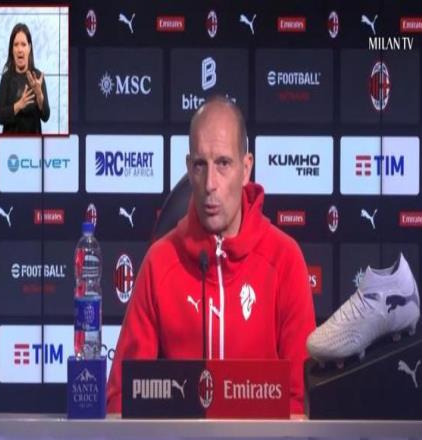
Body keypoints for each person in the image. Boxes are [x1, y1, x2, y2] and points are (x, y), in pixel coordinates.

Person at [107, 96, 315, 414]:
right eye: (200, 165)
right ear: (189, 169)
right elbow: (121, 398)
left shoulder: (284, 259)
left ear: (246, 169)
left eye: (223, 163)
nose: (210, 184)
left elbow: (300, 400)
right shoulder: (159, 263)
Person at [0, 23, 50, 134]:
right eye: (16, 45)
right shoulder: (6, 78)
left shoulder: (37, 77)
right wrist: (19, 105)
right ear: (12, 49)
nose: (20, 49)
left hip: (33, 142)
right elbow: (0, 116)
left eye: (23, 44)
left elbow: (46, 117)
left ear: (29, 48)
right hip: (10, 142)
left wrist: (39, 95)